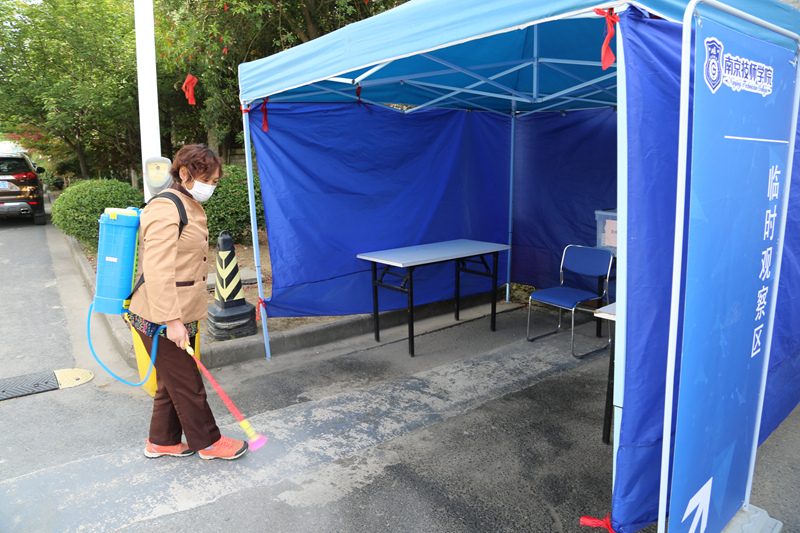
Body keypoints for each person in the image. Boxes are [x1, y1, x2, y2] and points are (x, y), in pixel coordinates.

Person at [128, 144, 247, 460]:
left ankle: (162, 441)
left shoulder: (186, 203)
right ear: (184, 173)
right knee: (187, 383)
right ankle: (208, 442)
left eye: (215, 181)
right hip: (160, 317)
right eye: (208, 180)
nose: (211, 186)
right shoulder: (165, 208)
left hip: (178, 313)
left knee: (172, 382)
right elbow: (157, 270)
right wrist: (172, 321)